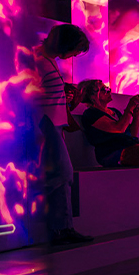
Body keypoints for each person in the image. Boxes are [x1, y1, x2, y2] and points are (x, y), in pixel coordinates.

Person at [34, 23, 92, 245]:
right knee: (63, 174)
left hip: (53, 125)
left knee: (63, 175)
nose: (75, 55)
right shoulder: (39, 60)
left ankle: (62, 227)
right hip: (46, 125)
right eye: (76, 50)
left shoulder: (48, 60)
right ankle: (60, 228)